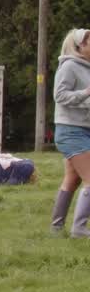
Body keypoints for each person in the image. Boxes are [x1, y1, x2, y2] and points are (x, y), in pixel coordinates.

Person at [52, 28, 90, 236]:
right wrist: (86, 92)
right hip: (70, 131)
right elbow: (60, 96)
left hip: (84, 130)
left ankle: (57, 228)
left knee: (72, 179)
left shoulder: (87, 68)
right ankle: (80, 229)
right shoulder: (69, 66)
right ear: (80, 46)